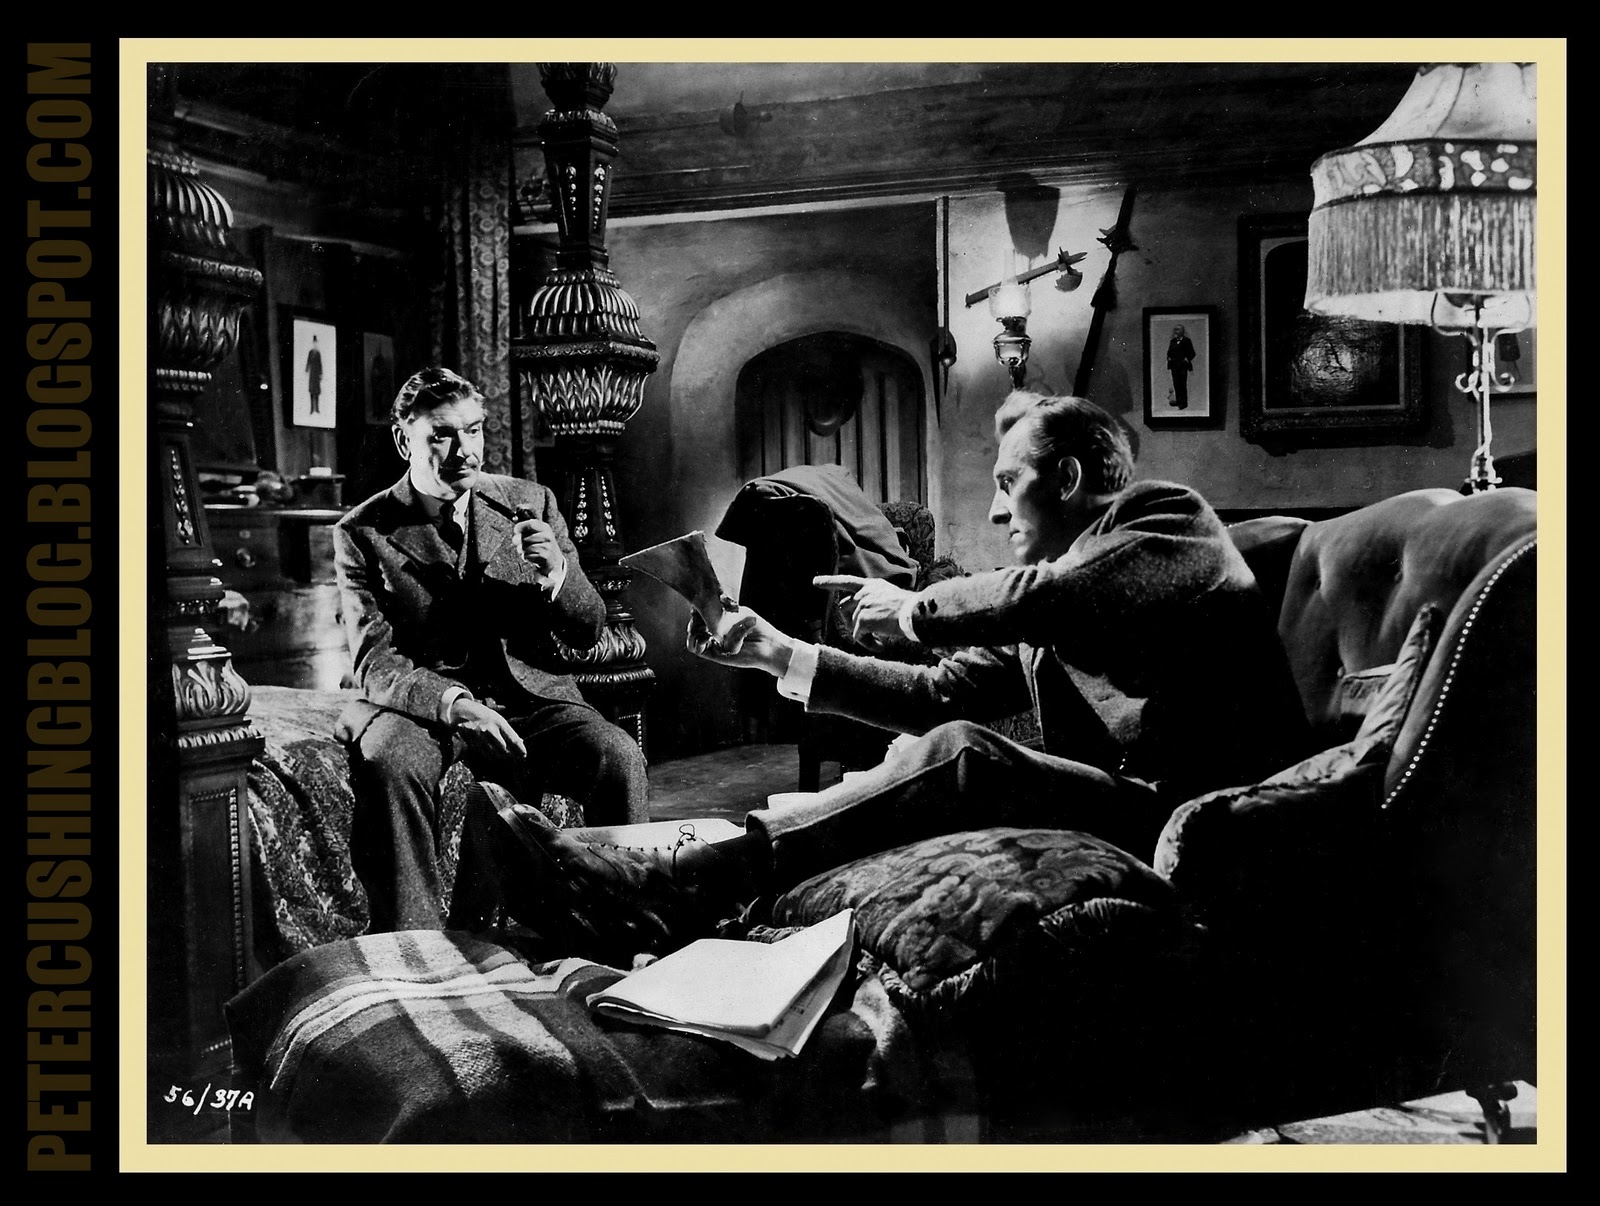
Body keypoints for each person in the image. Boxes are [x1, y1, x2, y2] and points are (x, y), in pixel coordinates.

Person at [468, 391, 1310, 961]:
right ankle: (714, 885)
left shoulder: (1170, 520)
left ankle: (682, 882)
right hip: (1129, 805)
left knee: (967, 752)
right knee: (945, 738)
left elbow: (1056, 598)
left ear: (1068, 479)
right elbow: (936, 694)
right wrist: (778, 653)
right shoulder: (1047, 604)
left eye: (1008, 484)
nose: (995, 511)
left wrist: (912, 611)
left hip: (1210, 820)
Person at [333, 366, 648, 933]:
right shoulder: (362, 531)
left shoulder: (531, 501)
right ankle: (419, 949)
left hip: (531, 699)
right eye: (442, 435)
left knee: (617, 757)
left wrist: (558, 575)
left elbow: (588, 630)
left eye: (474, 431)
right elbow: (374, 661)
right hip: (429, 708)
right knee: (390, 762)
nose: (465, 451)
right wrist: (456, 705)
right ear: (404, 440)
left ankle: (630, 928)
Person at [1166, 324, 1195, 409]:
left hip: (1182, 366)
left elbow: (1192, 353)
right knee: (1176, 385)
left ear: (1182, 331)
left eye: (1178, 330)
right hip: (1174, 366)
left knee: (1182, 385)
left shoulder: (1187, 341)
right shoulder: (1173, 341)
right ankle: (1178, 401)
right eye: (1175, 329)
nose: (1176, 331)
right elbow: (1169, 352)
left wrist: (1187, 359)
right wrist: (1169, 357)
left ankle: (1184, 403)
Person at [306, 334, 324, 414]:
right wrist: (307, 369)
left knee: (317, 391)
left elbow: (320, 364)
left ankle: (317, 409)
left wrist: (321, 373)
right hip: (312, 374)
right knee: (311, 391)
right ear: (312, 343)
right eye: (314, 343)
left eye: (316, 343)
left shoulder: (318, 353)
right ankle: (311, 409)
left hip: (317, 374)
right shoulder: (310, 352)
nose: (315, 345)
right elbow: (308, 362)